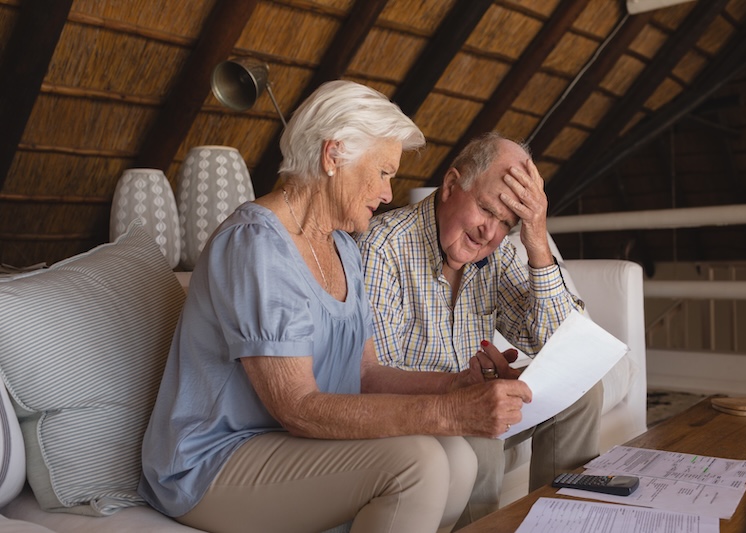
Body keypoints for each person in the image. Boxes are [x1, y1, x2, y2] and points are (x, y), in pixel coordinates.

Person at [138, 81, 532, 533]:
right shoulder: (255, 246)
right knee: (418, 461)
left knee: (458, 458)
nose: (388, 193)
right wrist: (447, 413)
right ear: (332, 157)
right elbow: (298, 407)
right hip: (215, 459)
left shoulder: (342, 247)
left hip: (287, 443)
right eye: (383, 173)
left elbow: (365, 376)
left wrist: (454, 386)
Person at [356, 131, 603, 528]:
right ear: (451, 185)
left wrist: (537, 239)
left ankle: (558, 524)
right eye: (486, 209)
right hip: (425, 412)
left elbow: (563, 342)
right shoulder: (384, 248)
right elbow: (372, 379)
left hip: (472, 395)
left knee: (582, 392)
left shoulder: (498, 253)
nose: (490, 232)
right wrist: (464, 387)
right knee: (481, 433)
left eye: (506, 222)